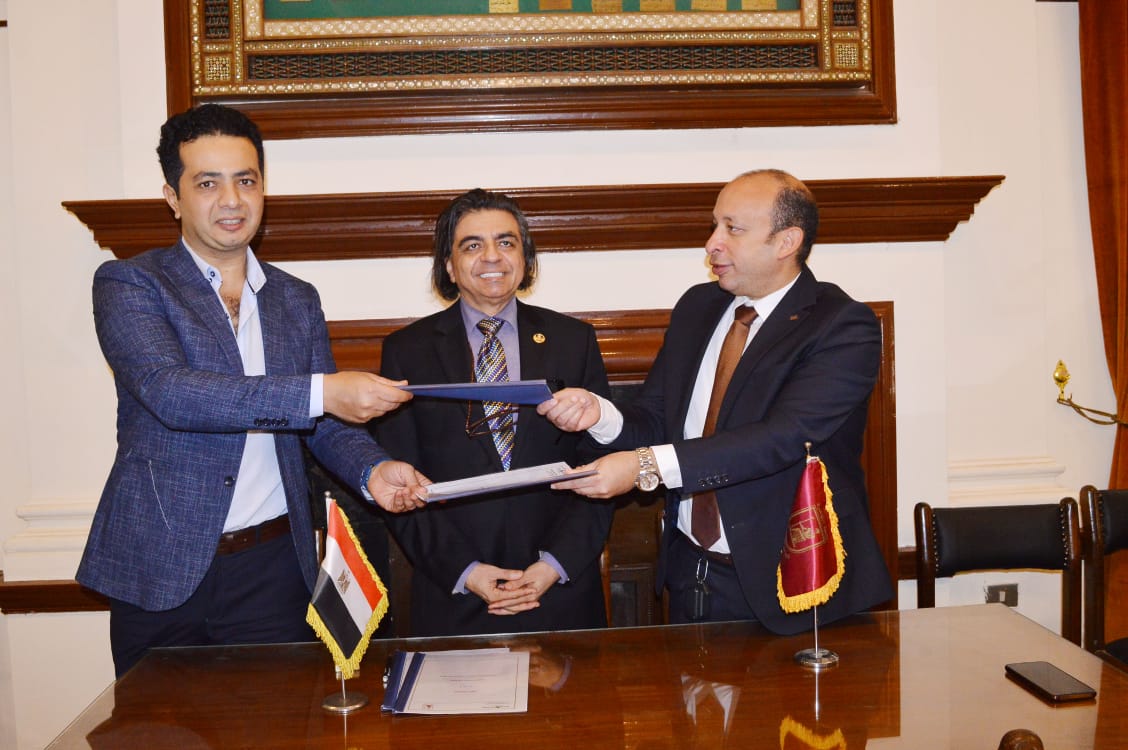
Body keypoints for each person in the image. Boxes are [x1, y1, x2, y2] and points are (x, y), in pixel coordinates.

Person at [77, 104, 429, 677]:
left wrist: (372, 470)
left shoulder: (296, 298)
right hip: (161, 567)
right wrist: (322, 393)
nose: (232, 201)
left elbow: (322, 423)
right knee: (156, 723)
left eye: (246, 181)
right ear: (172, 198)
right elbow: (172, 393)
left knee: (276, 720)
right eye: (207, 184)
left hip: (274, 570)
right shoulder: (131, 283)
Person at [538, 169, 893, 632]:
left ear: (786, 242)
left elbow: (780, 439)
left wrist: (644, 466)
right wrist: (600, 414)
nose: (711, 244)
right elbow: (657, 417)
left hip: (791, 580)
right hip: (690, 572)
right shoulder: (698, 307)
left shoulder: (841, 326)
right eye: (714, 226)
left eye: (733, 229)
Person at [372, 188, 613, 637]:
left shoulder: (574, 340)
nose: (492, 257)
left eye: (506, 242)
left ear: (525, 257)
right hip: (454, 596)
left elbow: (601, 466)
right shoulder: (407, 351)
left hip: (560, 593)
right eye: (472, 245)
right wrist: (466, 572)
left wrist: (554, 565)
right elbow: (401, 485)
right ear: (449, 265)